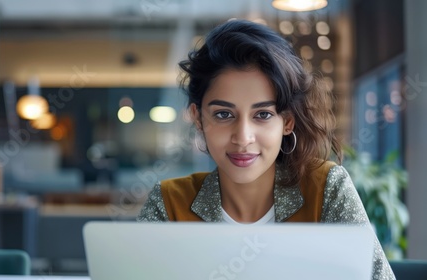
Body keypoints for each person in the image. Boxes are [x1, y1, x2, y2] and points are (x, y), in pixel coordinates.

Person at [137, 19, 395, 279]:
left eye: (262, 114)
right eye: (224, 114)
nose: (243, 137)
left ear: (288, 121)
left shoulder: (326, 189)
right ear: (198, 118)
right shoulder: (170, 202)